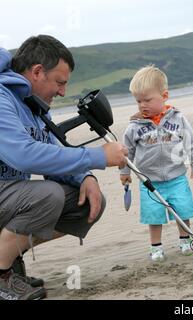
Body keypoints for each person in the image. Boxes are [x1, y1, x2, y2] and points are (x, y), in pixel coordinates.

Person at [0, 35, 128, 300]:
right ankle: (1, 276)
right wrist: (97, 156)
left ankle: (8, 259)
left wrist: (85, 176)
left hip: (6, 196)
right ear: (37, 72)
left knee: (87, 202)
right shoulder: (2, 99)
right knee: (49, 195)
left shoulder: (32, 105)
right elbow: (24, 156)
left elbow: (51, 152)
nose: (62, 92)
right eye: (59, 82)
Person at [120, 65, 193, 262]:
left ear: (164, 95)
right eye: (138, 101)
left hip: (176, 177)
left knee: (182, 209)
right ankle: (155, 247)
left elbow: (191, 143)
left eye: (147, 100)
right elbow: (126, 152)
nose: (142, 105)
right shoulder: (134, 127)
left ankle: (185, 240)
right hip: (149, 181)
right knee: (154, 215)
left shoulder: (178, 118)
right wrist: (125, 172)